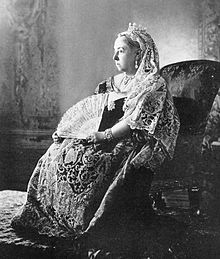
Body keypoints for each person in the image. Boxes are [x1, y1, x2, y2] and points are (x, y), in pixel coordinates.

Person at [11, 23, 180, 238]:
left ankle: (82, 220)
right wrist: (67, 133)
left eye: (121, 50)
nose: (114, 57)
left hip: (130, 140)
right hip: (101, 135)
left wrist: (105, 135)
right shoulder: (111, 83)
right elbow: (92, 114)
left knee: (92, 161)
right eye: (115, 51)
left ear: (139, 52)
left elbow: (135, 121)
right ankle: (49, 213)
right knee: (57, 151)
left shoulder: (153, 84)